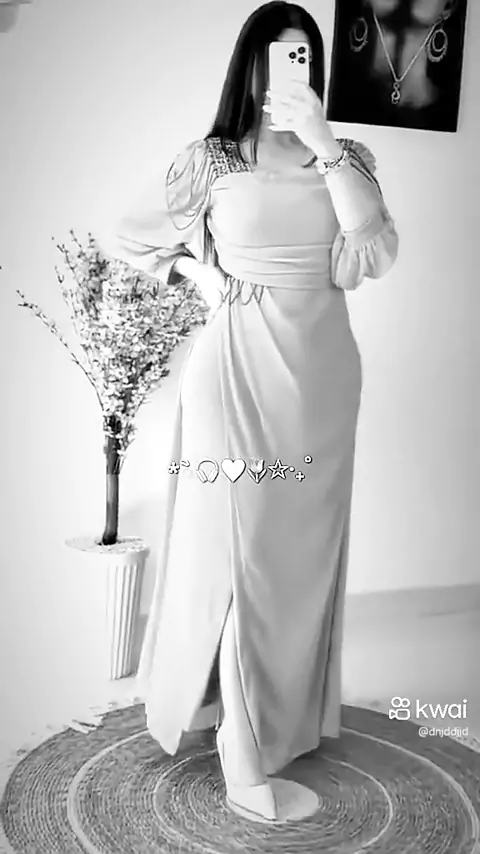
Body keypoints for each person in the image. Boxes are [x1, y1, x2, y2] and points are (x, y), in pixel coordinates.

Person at [102, 0, 399, 823]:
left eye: (303, 54)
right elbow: (129, 236)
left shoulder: (349, 157)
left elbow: (372, 253)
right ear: (251, 66)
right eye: (276, 54)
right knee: (240, 554)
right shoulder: (212, 160)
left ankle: (278, 719)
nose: (289, 68)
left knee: (300, 559)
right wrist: (196, 273)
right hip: (234, 369)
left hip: (323, 376)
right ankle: (240, 743)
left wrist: (324, 142)